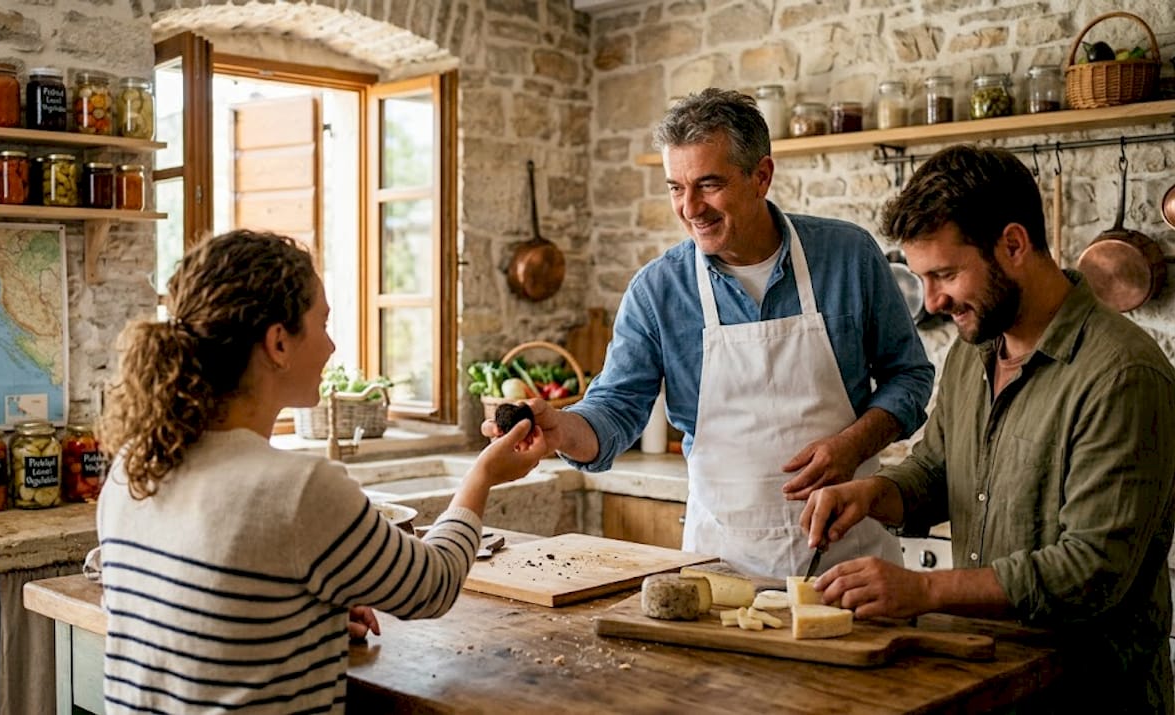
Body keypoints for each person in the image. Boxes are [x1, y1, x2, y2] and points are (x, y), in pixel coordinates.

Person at [96, 229, 547, 713]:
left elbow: (214, 605)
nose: (331, 346)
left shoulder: (131, 468)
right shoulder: (297, 489)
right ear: (278, 343)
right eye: (323, 323)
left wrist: (303, 608)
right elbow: (432, 586)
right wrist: (483, 475)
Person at [490, 88, 934, 578]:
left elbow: (909, 376)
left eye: (708, 184)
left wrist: (853, 444)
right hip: (720, 570)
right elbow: (615, 408)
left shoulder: (849, 257)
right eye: (675, 188)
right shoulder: (658, 290)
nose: (690, 207)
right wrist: (561, 430)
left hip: (851, 564)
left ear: (761, 176)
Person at [801, 144, 1175, 713]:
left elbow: (1091, 571)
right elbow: (937, 470)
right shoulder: (972, 352)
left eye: (946, 274)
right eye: (922, 278)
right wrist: (872, 494)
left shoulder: (1123, 375)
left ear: (1014, 245)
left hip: (1089, 696)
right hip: (990, 682)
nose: (932, 301)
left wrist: (923, 590)